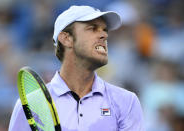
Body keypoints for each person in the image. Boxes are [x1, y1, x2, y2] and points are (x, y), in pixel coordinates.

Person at [9, 5, 144, 131]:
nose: (104, 35)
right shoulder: (29, 105)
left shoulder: (127, 101)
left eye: (104, 30)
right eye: (92, 28)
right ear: (66, 39)